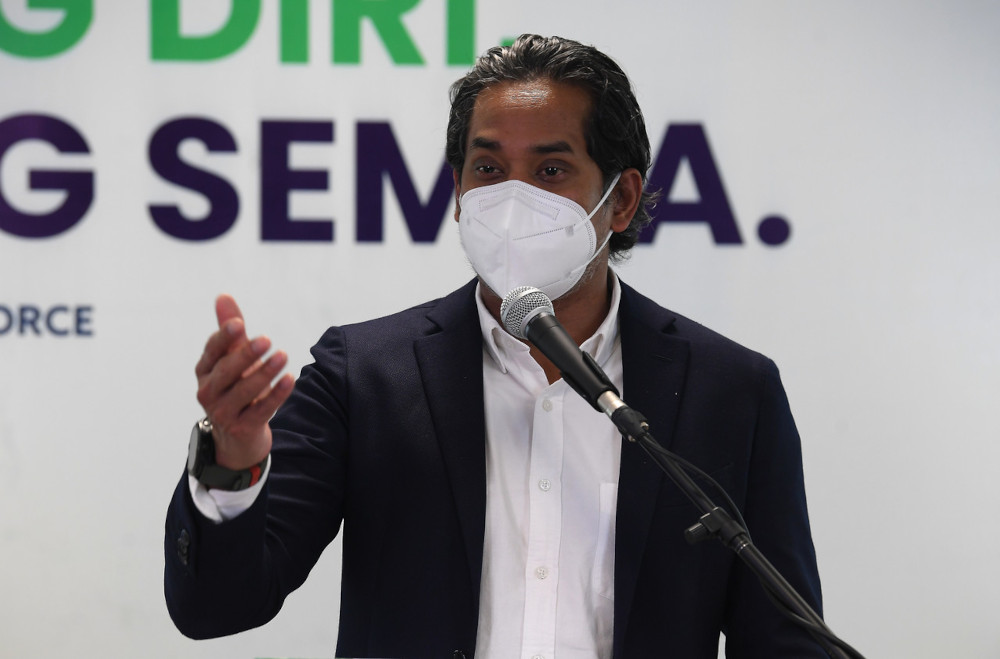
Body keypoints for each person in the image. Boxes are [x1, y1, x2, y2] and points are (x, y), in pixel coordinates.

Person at [165, 34, 824, 658]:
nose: (513, 199)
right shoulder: (364, 375)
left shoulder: (730, 390)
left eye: (551, 167)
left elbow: (785, 641)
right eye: (488, 167)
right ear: (457, 193)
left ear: (621, 199)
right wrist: (236, 459)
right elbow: (217, 607)